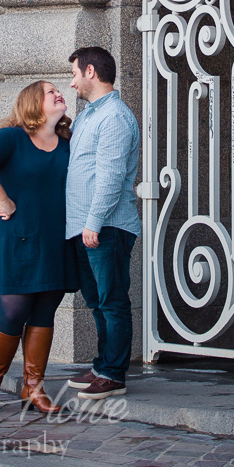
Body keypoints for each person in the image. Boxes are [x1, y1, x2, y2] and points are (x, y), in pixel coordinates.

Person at [0, 81, 78, 413]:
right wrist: (4, 200)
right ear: (32, 103)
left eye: (59, 90)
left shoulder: (68, 142)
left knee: (44, 311)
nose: (59, 94)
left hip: (58, 239)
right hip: (20, 239)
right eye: (49, 92)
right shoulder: (12, 138)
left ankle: (34, 388)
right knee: (13, 311)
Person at [65, 46, 141, 400]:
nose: (72, 82)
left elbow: (110, 177)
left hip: (106, 228)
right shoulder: (87, 116)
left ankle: (114, 374)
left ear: (91, 72)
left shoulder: (115, 117)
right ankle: (101, 365)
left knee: (112, 301)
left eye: (75, 74)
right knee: (96, 301)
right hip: (86, 227)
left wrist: (94, 223)